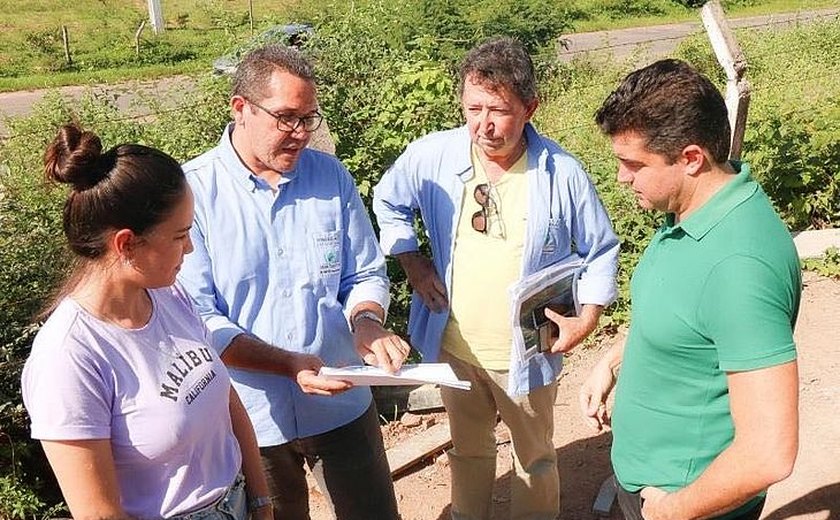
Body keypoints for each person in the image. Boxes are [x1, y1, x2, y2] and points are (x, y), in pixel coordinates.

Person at [373, 37, 619, 520]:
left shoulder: (562, 173)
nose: (484, 125)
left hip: (527, 350)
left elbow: (601, 248)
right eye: (473, 108)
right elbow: (388, 202)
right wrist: (414, 263)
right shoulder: (433, 156)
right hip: (454, 347)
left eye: (499, 110)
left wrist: (585, 320)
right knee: (468, 449)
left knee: (535, 457)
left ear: (530, 107)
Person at [177, 44, 406, 520]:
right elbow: (198, 319)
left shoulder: (331, 177)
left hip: (342, 403)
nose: (300, 134)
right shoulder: (191, 193)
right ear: (240, 108)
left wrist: (366, 323)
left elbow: (363, 273)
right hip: (250, 419)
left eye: (309, 118)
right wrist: (287, 366)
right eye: (286, 118)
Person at [580, 59, 801, 520]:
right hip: (650, 484)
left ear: (691, 158)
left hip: (685, 502)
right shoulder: (690, 212)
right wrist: (614, 358)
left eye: (633, 164)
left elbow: (769, 451)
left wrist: (672, 511)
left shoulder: (739, 267)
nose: (622, 178)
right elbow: (688, 320)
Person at [21, 125, 271, 519]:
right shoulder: (68, 358)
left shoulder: (169, 295)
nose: (189, 248)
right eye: (180, 236)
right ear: (126, 244)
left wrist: (260, 501)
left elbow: (224, 397)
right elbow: (99, 513)